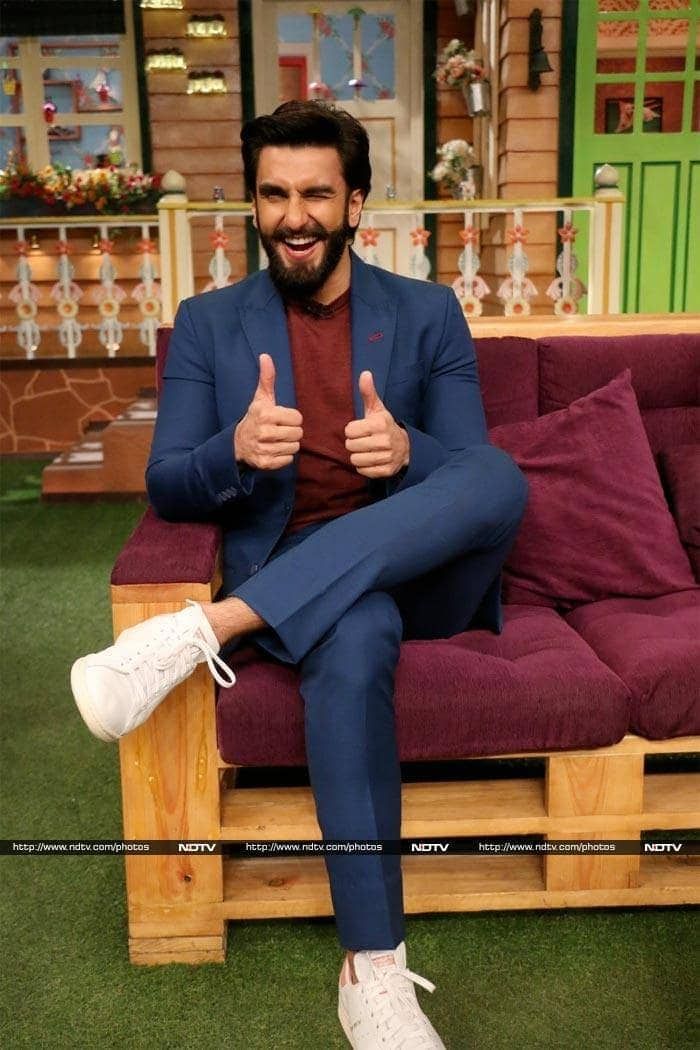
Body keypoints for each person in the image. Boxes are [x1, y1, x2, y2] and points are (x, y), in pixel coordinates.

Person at [70, 100, 527, 1050]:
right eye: (274, 194)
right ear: (253, 204)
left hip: (423, 582)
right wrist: (234, 453)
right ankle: (374, 972)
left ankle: (210, 631)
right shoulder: (206, 324)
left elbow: (474, 478)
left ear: (357, 203)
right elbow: (166, 482)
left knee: (497, 475)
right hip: (320, 596)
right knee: (351, 633)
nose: (294, 215)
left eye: (317, 193)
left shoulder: (428, 312)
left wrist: (409, 453)